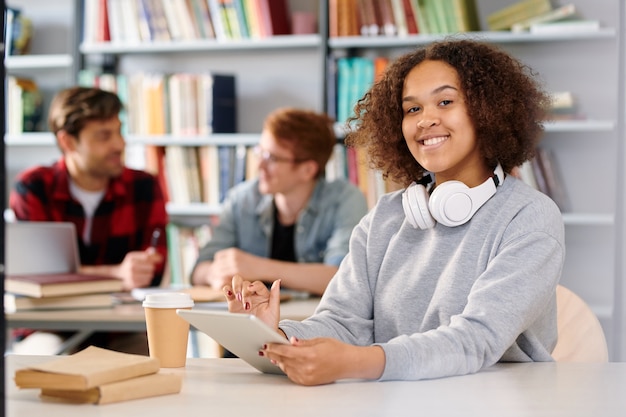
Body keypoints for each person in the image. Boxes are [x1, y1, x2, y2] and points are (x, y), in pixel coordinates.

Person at [224, 39, 565, 386]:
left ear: (487, 111)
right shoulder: (387, 216)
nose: (425, 120)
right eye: (412, 109)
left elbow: (476, 339)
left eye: (445, 102)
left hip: (498, 400)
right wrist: (274, 333)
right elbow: (343, 322)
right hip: (396, 399)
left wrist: (358, 362)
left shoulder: (529, 217)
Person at [9, 86, 168, 354]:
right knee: (42, 359)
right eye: (104, 136)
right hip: (49, 326)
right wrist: (117, 273)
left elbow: (152, 274)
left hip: (121, 328)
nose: (119, 144)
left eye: (119, 131)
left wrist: (77, 275)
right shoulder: (33, 187)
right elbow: (35, 277)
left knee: (152, 363)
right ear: (67, 142)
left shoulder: (144, 186)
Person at [191, 107, 368, 296]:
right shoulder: (241, 199)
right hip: (252, 318)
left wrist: (257, 268)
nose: (259, 165)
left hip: (314, 320)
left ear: (307, 170)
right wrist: (213, 274)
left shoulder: (346, 199)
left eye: (272, 158)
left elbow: (342, 278)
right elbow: (197, 271)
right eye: (260, 153)